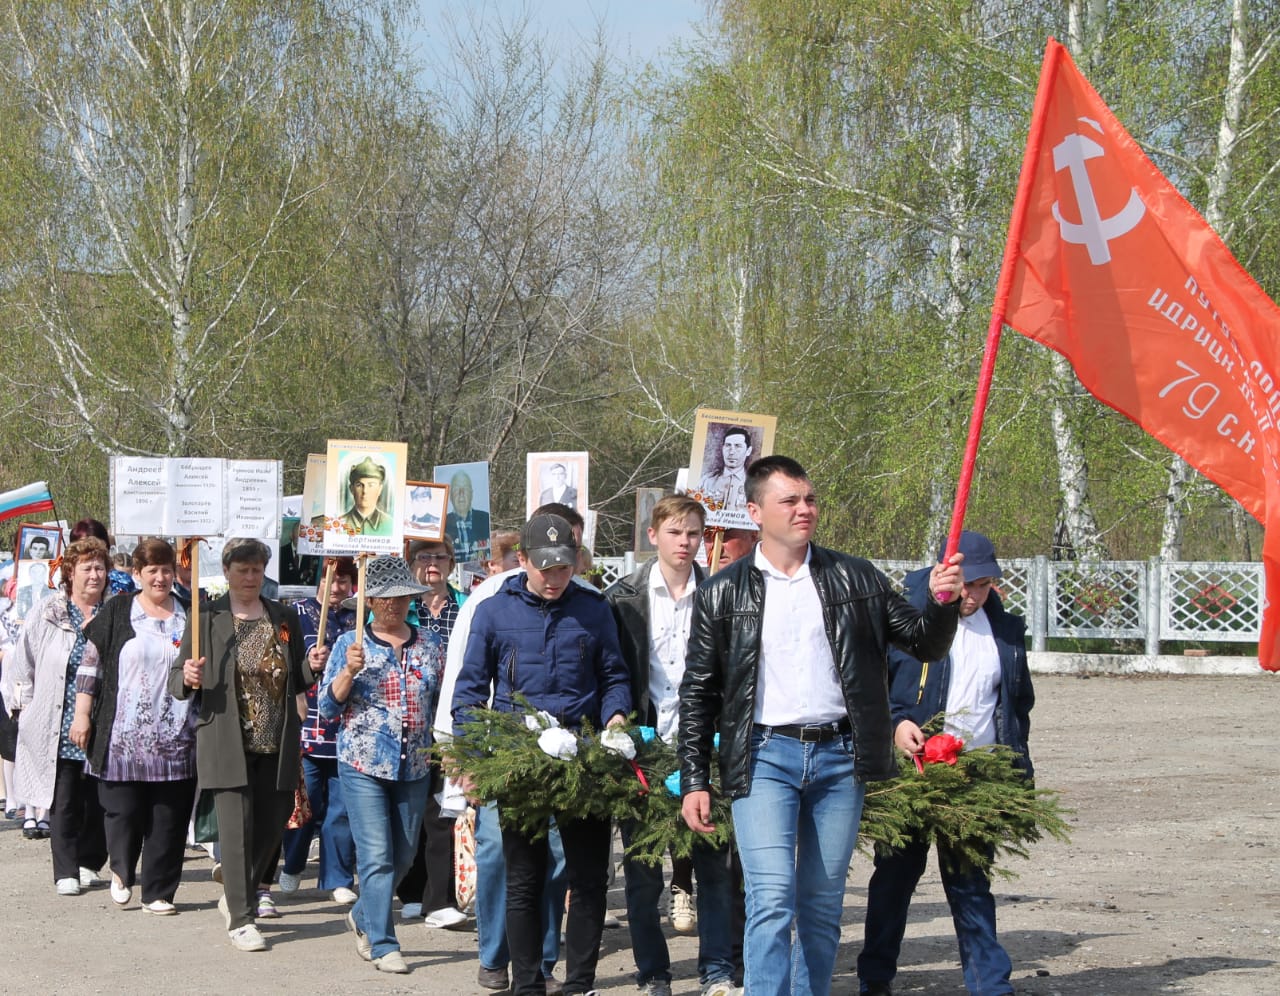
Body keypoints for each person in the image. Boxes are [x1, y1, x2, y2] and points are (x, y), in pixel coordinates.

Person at [678, 456, 964, 996]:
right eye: (790, 501)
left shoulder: (855, 577)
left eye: (809, 499)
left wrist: (943, 600)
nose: (804, 509)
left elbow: (924, 640)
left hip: (839, 758)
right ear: (755, 511)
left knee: (821, 902)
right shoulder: (723, 591)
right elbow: (698, 691)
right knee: (771, 897)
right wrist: (694, 777)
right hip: (762, 758)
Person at [452, 512, 631, 996]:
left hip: (584, 758)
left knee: (588, 877)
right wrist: (471, 759)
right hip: (519, 760)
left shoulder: (594, 609)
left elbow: (614, 676)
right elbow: (469, 692)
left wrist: (615, 715)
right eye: (545, 567)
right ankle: (526, 984)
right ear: (523, 560)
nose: (555, 578)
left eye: (564, 567)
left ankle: (580, 983)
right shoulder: (493, 611)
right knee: (524, 878)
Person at [857, 531, 1034, 996]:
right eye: (965, 583)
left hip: (978, 773)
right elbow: (871, 687)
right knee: (894, 879)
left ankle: (991, 986)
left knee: (971, 881)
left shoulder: (1006, 631)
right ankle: (875, 979)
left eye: (982, 584)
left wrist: (1015, 772)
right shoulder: (909, 620)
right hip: (914, 771)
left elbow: (1018, 704)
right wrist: (897, 724)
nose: (972, 594)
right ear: (944, 575)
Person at [433, 502, 585, 995]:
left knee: (557, 860)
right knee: (499, 853)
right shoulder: (488, 602)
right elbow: (465, 681)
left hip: (567, 753)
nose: (559, 569)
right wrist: (463, 754)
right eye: (549, 557)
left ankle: (539, 958)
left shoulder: (588, 601)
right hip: (507, 753)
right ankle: (494, 953)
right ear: (525, 555)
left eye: (569, 554)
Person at [605, 495, 738, 996]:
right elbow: (614, 669)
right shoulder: (623, 598)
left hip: (706, 745)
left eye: (694, 534)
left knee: (715, 866)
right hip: (644, 746)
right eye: (676, 532)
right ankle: (653, 972)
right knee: (642, 872)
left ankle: (717, 970)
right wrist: (618, 716)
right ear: (654, 535)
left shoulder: (722, 593)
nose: (685, 543)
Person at [168, 537, 314, 953]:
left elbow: (298, 677)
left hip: (277, 740)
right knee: (236, 832)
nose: (250, 577)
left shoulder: (283, 617)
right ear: (227, 572)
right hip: (226, 738)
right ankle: (242, 917)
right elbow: (176, 680)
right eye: (242, 570)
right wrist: (190, 677)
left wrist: (312, 666)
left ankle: (237, 893)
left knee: (272, 825)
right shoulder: (205, 616)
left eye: (256, 569)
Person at [318, 556, 446, 975]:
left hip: (415, 764)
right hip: (362, 762)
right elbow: (325, 707)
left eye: (402, 596)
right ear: (368, 600)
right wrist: (347, 675)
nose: (394, 605)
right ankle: (383, 942)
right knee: (377, 857)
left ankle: (365, 915)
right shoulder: (348, 645)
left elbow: (443, 703)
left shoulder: (429, 645)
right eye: (385, 598)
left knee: (406, 854)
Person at [69, 537, 196, 915]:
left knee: (168, 819)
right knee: (122, 813)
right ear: (137, 573)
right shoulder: (118, 610)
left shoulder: (191, 614)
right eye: (152, 570)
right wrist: (82, 714)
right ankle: (122, 869)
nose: (160, 578)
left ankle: (158, 892)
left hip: (177, 737)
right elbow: (91, 666)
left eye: (166, 570)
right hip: (123, 735)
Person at [3, 537, 111, 894]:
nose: (95, 575)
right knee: (63, 796)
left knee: (100, 797)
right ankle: (65, 868)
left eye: (100, 567)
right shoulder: (48, 612)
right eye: (87, 568)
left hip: (104, 721)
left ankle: (89, 861)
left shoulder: (115, 613)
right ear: (70, 573)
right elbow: (23, 661)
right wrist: (23, 706)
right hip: (57, 719)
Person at [397, 537, 470, 928]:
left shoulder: (466, 605)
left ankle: (438, 898)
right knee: (410, 811)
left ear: (451, 563)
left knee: (444, 808)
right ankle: (410, 890)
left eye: (439, 557)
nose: (432, 564)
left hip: (452, 721)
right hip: (408, 718)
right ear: (411, 564)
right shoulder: (400, 605)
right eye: (423, 557)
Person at [277, 557, 359, 904]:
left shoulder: (360, 617)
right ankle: (293, 863)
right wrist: (306, 663)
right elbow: (278, 659)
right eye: (330, 579)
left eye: (344, 580)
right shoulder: (293, 613)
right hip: (307, 724)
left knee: (341, 809)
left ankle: (337, 876)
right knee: (304, 801)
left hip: (346, 727)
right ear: (318, 581)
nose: (337, 587)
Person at [698, 427, 753, 510]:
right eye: (728, 445)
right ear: (723, 448)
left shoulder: (755, 485)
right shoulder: (706, 481)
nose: (731, 452)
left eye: (738, 446)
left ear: (748, 451)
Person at [339, 457, 393, 536]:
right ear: (351, 489)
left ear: (380, 489)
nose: (365, 491)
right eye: (359, 485)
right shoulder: (339, 524)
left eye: (371, 485)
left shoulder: (391, 524)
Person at [445, 470, 491, 563]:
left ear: (471, 494)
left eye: (465, 489)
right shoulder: (442, 524)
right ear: (450, 496)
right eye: (457, 489)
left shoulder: (486, 519)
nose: (461, 494)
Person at [278, 520, 321, 586]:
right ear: (291, 535)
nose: (302, 538)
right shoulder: (280, 553)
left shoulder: (313, 556)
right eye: (299, 534)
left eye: (305, 535)